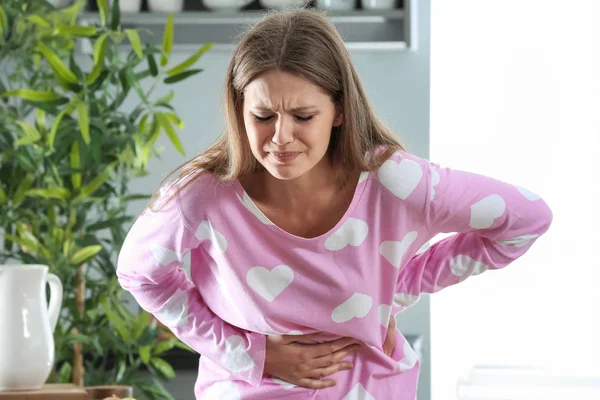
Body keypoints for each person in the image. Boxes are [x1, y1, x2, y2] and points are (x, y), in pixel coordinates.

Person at [116, 7, 553, 400]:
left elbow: (527, 219)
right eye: (262, 116)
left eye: (303, 116)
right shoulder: (202, 197)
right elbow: (140, 275)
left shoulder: (394, 181)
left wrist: (395, 288)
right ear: (239, 108)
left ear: (339, 110)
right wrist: (250, 354)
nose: (280, 137)